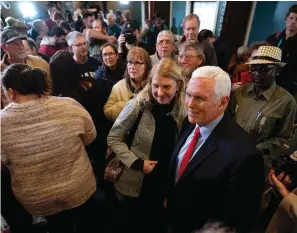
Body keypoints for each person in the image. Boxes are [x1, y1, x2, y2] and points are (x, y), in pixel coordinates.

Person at [1, 64, 99, 233]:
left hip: (37, 198)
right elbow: (90, 137)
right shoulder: (69, 104)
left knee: (57, 226)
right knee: (87, 221)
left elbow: (3, 163)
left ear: (11, 92)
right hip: (79, 185)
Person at [166, 66, 265, 233]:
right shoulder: (190, 122)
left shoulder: (245, 157)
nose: (190, 104)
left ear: (223, 102)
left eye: (199, 98)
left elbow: (236, 221)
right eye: (189, 94)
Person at [107, 58, 186, 233]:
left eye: (166, 87)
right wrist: (137, 162)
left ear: (178, 86)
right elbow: (113, 138)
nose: (160, 92)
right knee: (133, 223)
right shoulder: (138, 105)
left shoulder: (183, 111)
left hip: (164, 180)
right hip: (136, 178)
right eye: (156, 85)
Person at [229, 46, 296, 169]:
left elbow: (283, 139)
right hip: (229, 154)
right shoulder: (241, 92)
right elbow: (228, 118)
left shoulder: (286, 102)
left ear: (277, 71)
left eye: (264, 69)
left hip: (256, 162)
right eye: (254, 69)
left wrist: (254, 149)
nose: (257, 74)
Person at [0, 29, 50, 107]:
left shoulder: (39, 62)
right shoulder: (1, 70)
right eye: (15, 44)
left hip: (46, 107)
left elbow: (51, 84)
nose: (21, 47)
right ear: (4, 48)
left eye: (21, 43)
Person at [104, 47, 151, 122]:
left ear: (146, 66)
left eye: (137, 63)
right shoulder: (118, 86)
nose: (132, 67)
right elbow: (107, 112)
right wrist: (128, 105)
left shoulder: (153, 85)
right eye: (130, 62)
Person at [266, 5, 297, 100]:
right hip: (266, 83)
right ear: (286, 18)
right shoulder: (274, 38)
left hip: (286, 89)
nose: (293, 22)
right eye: (291, 18)